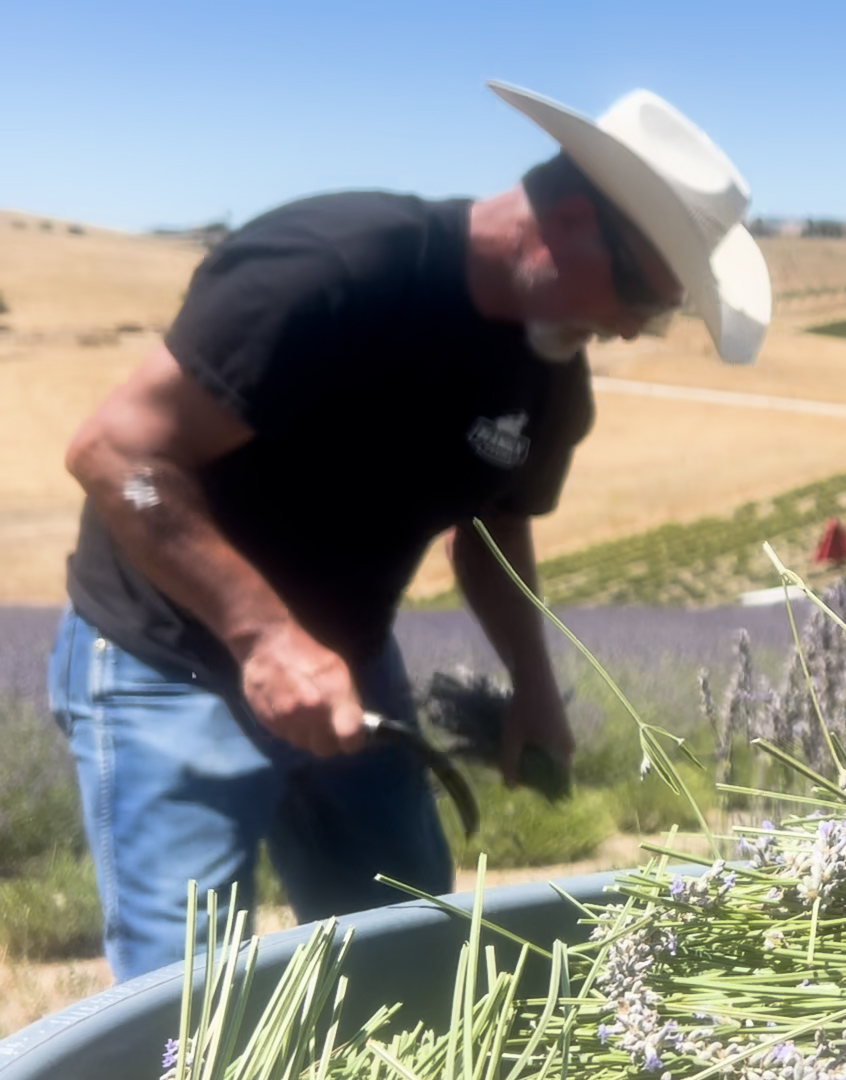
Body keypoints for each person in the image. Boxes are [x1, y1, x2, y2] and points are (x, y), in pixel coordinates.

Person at [47, 80, 772, 981]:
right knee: (184, 1005)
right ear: (572, 217)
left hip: (351, 669)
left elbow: (494, 537)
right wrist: (266, 637)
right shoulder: (335, 265)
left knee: (418, 959)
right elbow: (116, 456)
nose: (631, 328)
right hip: (169, 661)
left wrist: (536, 689)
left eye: (656, 317)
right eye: (640, 295)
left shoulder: (552, 381)